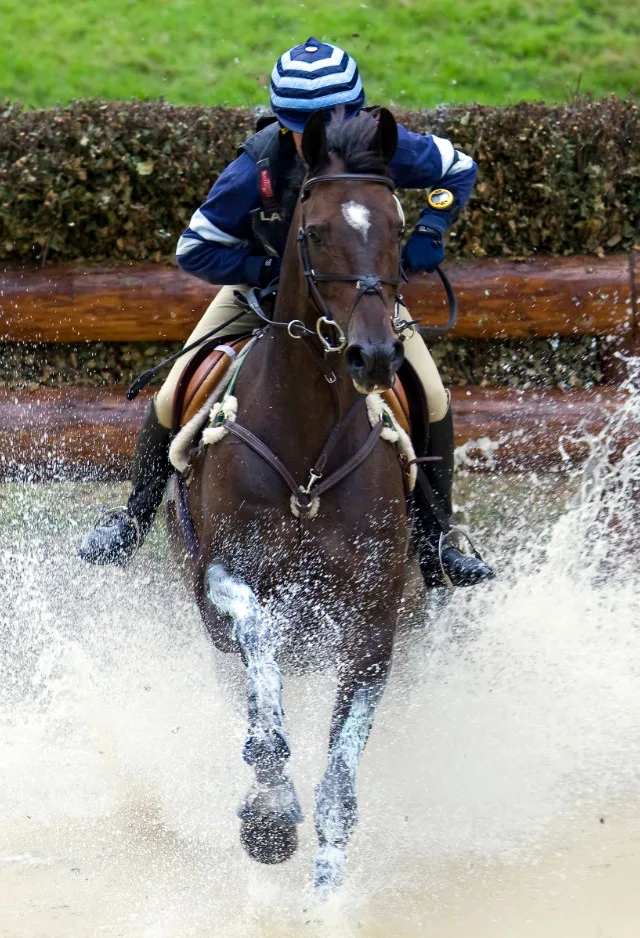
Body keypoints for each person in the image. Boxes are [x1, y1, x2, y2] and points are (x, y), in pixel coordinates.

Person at [78, 37, 494, 587]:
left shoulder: (381, 146)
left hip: (358, 302)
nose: (326, 138)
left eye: (341, 119)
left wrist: (432, 229)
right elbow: (194, 248)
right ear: (283, 123)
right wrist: (266, 273)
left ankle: (437, 541)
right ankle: (132, 519)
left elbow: (459, 170)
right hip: (262, 301)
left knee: (431, 397)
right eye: (309, 128)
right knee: (173, 390)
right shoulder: (259, 168)